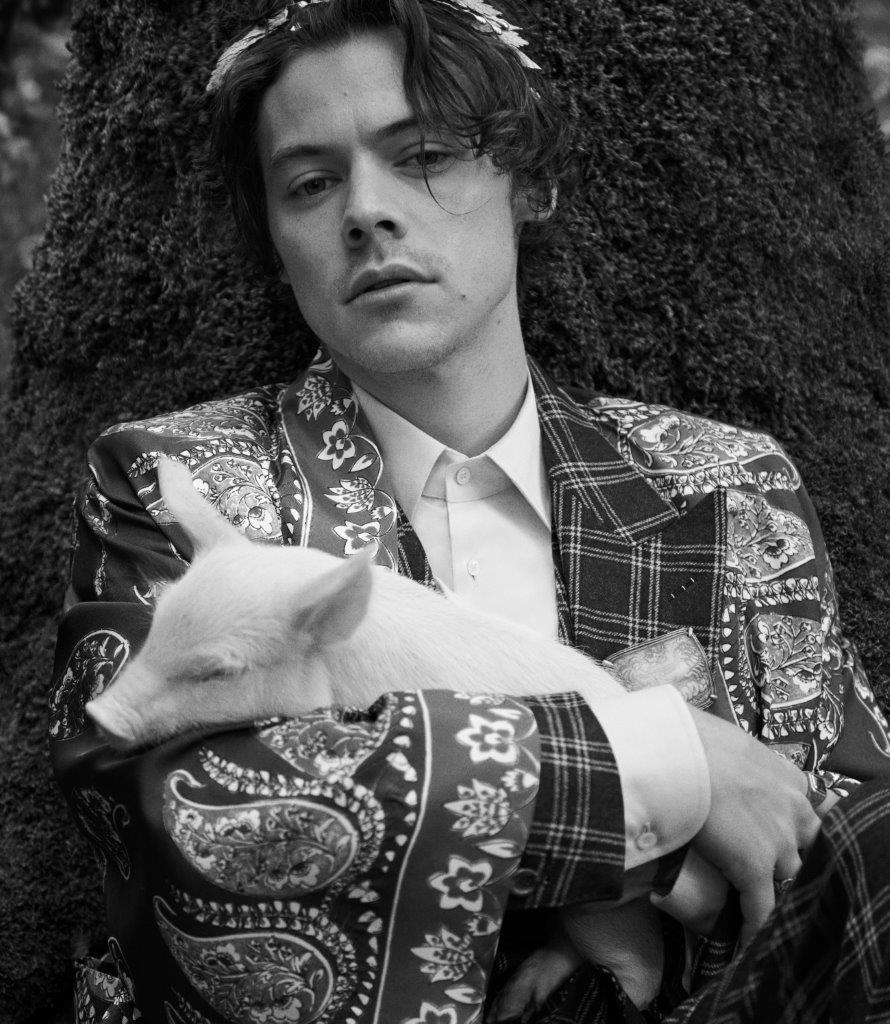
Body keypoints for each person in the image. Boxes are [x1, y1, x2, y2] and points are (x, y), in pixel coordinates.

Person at [49, 1, 890, 1022]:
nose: (366, 212)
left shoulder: (728, 484)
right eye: (309, 183)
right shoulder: (171, 480)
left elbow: (834, 838)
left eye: (425, 156)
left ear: (530, 182)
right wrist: (664, 766)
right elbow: (163, 792)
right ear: (275, 240)